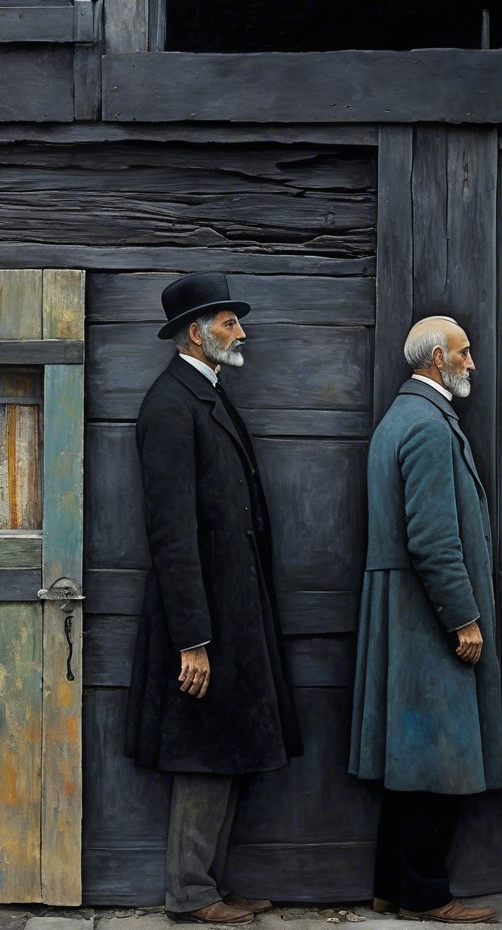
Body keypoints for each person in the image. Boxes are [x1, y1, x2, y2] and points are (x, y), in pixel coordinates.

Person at [125, 272, 302, 924]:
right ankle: (191, 894)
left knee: (227, 749)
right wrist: (191, 640)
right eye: (229, 322)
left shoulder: (206, 396)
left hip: (234, 612)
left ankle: (213, 887)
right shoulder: (169, 407)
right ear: (196, 331)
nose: (241, 332)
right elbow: (171, 535)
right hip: (201, 620)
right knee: (202, 753)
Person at [349, 316, 502, 924]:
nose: (472, 364)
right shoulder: (428, 426)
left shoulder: (403, 417)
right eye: (464, 354)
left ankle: (390, 887)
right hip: (426, 615)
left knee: (407, 760)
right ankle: (426, 895)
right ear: (438, 358)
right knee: (435, 759)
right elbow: (433, 539)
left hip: (407, 611)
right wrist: (463, 618)